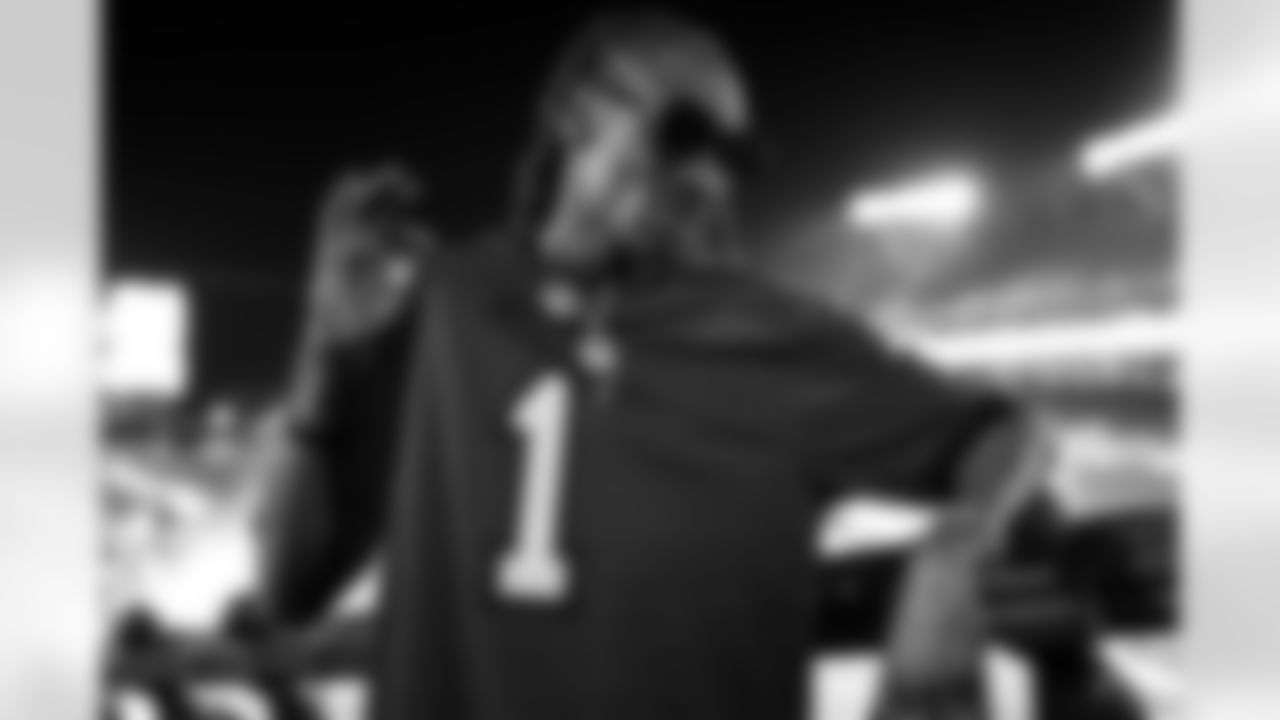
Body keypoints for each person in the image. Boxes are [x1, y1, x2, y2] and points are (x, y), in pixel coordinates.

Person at [238, 9, 1050, 720]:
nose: (708, 177)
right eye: (684, 133)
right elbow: (288, 587)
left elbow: (1010, 434)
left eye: (737, 155)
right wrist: (323, 354)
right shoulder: (446, 301)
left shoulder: (771, 335)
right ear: (575, 115)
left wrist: (953, 551)